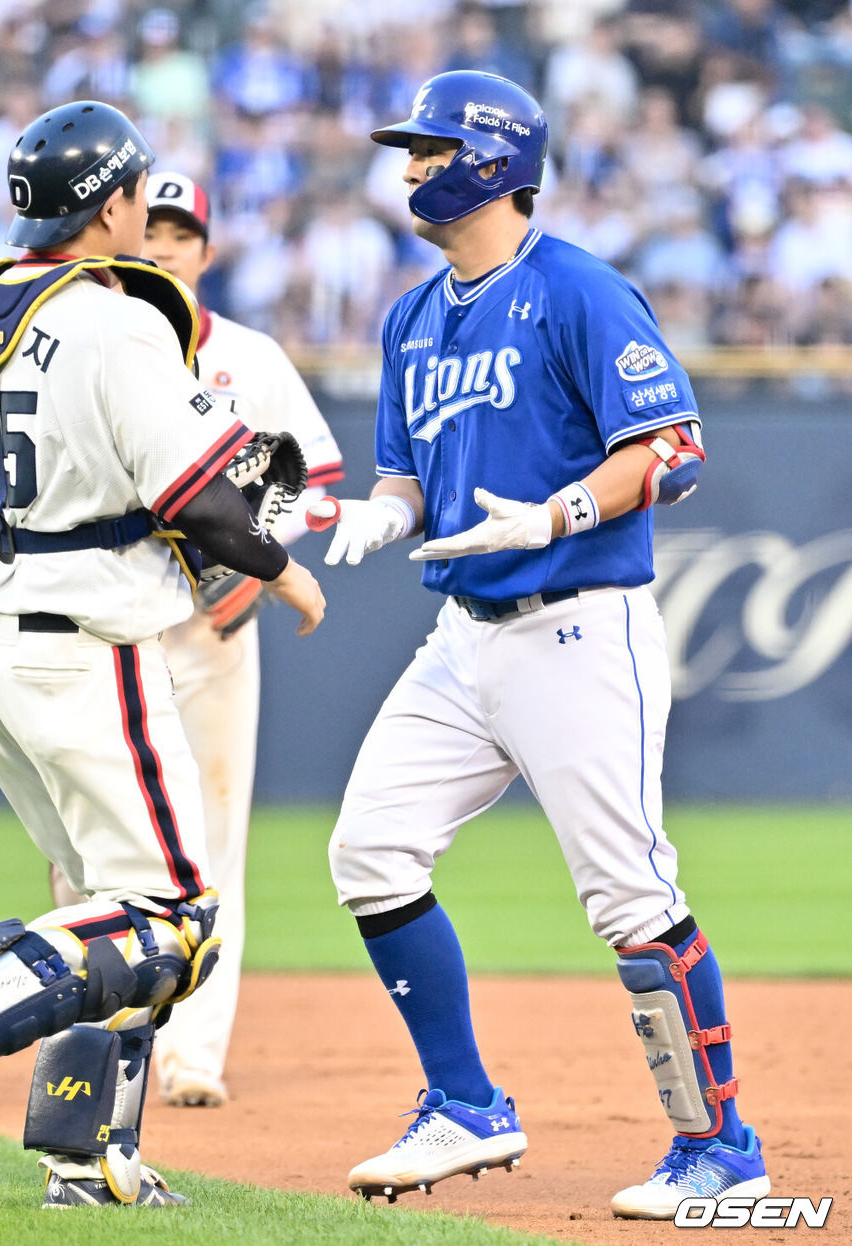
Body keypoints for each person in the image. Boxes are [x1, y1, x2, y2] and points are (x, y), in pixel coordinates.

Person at [311, 70, 769, 1220]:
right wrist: (386, 510)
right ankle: (464, 1104)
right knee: (369, 848)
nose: (410, 166)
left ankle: (721, 1145)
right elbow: (409, 473)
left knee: (626, 891)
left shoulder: (576, 289)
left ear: (492, 157)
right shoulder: (413, 315)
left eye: (430, 146)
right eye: (409, 148)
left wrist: (562, 510)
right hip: (463, 633)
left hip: (576, 623)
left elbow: (673, 448)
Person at [0, 99, 324, 1211]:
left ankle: (88, 1157)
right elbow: (202, 501)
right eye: (135, 195)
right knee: (173, 916)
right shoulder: (121, 323)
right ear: (111, 202)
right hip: (90, 645)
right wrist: (276, 559)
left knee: (105, 914)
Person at [48, 168, 344, 1109]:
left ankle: (193, 1055)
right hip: (102, 622)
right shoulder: (85, 344)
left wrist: (255, 567)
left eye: (181, 234)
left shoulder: (250, 358)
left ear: (206, 253)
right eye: (152, 227)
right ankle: (88, 1042)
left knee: (214, 842)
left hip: (210, 629)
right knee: (82, 846)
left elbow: (311, 482)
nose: (162, 245)